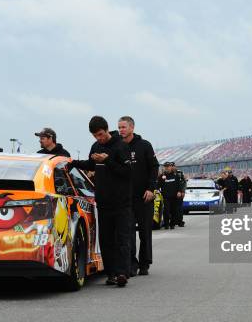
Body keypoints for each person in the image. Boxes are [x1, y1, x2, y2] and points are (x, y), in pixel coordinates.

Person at [69, 116, 132, 287]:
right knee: (105, 239)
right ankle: (111, 273)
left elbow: (127, 172)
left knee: (122, 239)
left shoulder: (121, 146)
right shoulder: (96, 146)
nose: (99, 138)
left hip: (121, 202)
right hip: (103, 202)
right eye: (95, 136)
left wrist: (107, 160)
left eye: (101, 134)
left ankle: (122, 273)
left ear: (106, 130)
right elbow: (90, 164)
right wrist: (72, 163)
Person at [118, 116, 158, 276]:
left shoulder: (144, 145)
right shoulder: (117, 147)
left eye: (124, 127)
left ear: (132, 128)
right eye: (119, 127)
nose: (121, 130)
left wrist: (151, 189)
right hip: (125, 198)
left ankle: (144, 263)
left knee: (144, 231)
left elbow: (154, 168)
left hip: (144, 197)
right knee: (127, 232)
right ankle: (131, 264)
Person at [158, 162, 182, 229]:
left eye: (168, 166)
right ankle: (166, 224)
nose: (167, 168)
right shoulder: (162, 176)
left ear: (171, 167)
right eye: (165, 167)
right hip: (166, 197)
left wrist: (179, 191)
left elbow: (179, 185)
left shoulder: (175, 175)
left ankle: (172, 224)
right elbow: (158, 185)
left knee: (174, 211)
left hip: (174, 196)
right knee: (166, 210)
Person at [172, 163, 186, 227]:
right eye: (171, 166)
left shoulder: (180, 173)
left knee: (179, 208)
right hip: (171, 193)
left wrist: (183, 191)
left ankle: (180, 221)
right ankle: (173, 221)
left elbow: (183, 182)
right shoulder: (166, 173)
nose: (172, 167)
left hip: (179, 192)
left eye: (173, 166)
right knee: (172, 208)